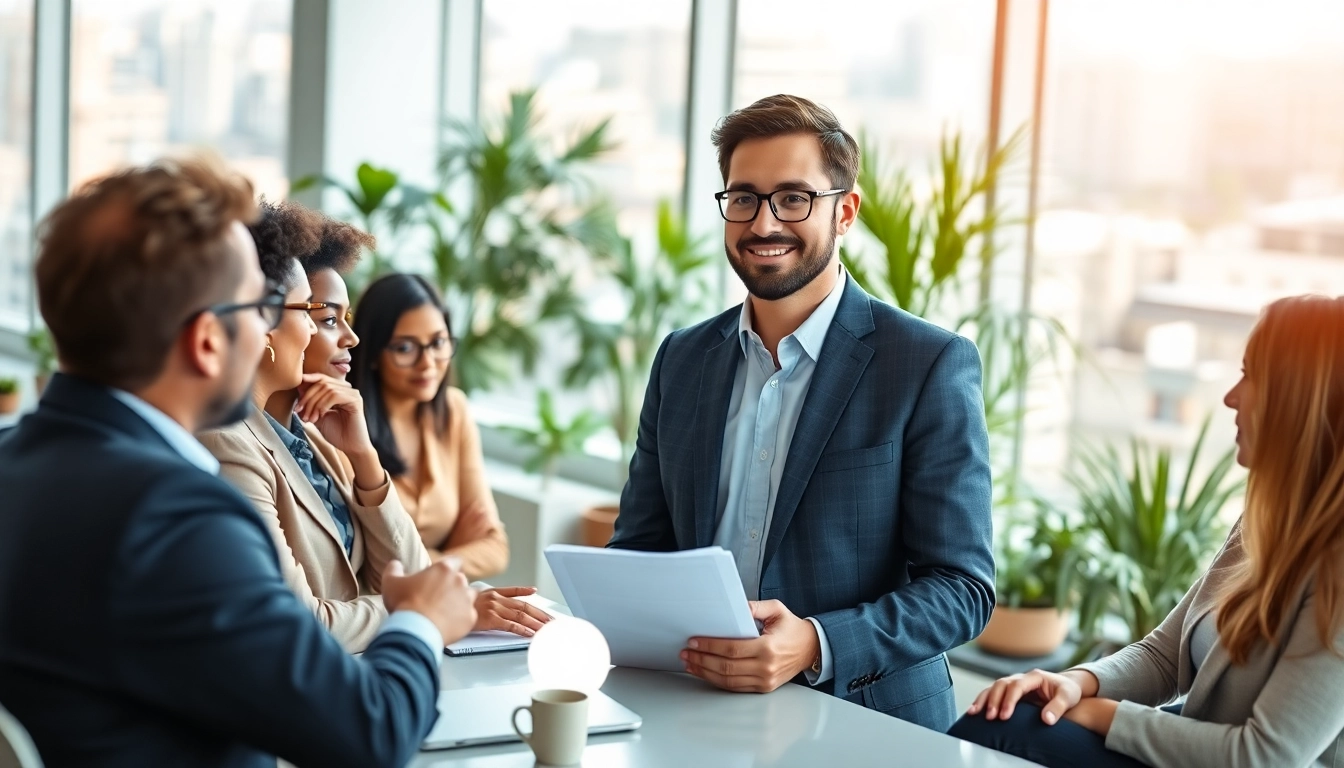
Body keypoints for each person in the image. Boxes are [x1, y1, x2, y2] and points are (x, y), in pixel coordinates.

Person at [0, 156, 477, 767]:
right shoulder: (175, 518)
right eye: (260, 309)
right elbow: (371, 733)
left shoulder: (15, 458)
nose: (268, 335)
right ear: (207, 341)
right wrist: (419, 621)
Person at [607, 94, 994, 732]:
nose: (764, 223)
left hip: (865, 724)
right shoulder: (682, 359)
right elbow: (641, 549)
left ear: (845, 212)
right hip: (692, 709)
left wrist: (816, 642)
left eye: (793, 198)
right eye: (744, 198)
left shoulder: (927, 364)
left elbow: (962, 589)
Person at [950, 295, 1344, 768]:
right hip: (1203, 742)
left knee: (1001, 731)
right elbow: (1164, 655)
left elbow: (1263, 757)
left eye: (1252, 375)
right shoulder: (1266, 522)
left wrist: (1099, 713)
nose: (1231, 396)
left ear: (1302, 400)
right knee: (1001, 716)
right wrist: (1075, 683)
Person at [200, 201, 547, 652]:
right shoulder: (229, 445)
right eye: (320, 317)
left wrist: (364, 459)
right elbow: (298, 623)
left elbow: (406, 573)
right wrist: (428, 606)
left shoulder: (319, 437)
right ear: (263, 323)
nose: (349, 338)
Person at [349, 273, 509, 580]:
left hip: (436, 601)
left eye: (437, 343)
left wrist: (424, 563)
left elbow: (495, 548)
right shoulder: (345, 429)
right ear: (372, 354)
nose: (427, 363)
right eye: (404, 348)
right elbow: (367, 570)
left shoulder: (453, 411)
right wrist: (456, 551)